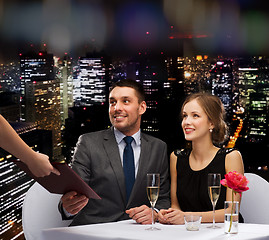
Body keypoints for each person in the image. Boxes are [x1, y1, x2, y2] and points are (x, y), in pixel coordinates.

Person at [59, 79, 170, 226]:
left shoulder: (158, 147)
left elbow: (163, 198)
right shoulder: (88, 143)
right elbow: (75, 192)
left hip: (138, 232)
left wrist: (154, 212)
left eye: (125, 101)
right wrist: (68, 207)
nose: (117, 108)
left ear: (142, 107)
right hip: (94, 231)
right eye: (112, 102)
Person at [158, 92, 244, 225]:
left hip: (225, 232)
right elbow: (176, 207)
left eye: (195, 116)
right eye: (185, 116)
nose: (186, 122)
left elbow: (232, 213)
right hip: (189, 232)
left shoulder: (231, 157)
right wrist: (169, 215)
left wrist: (187, 217)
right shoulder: (176, 157)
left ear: (212, 123)